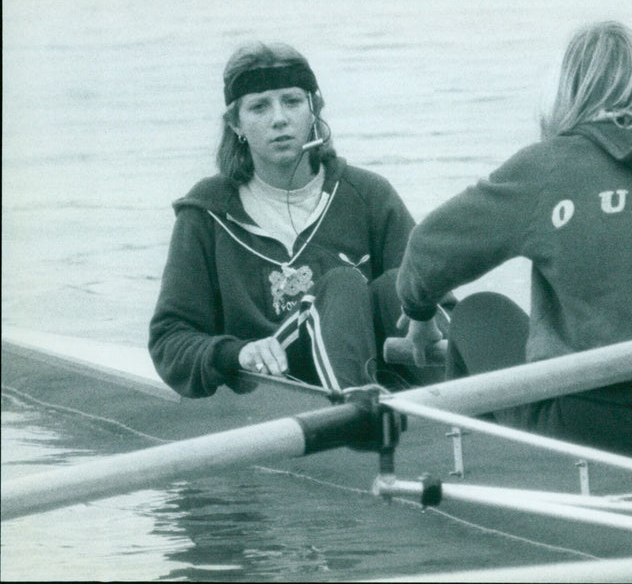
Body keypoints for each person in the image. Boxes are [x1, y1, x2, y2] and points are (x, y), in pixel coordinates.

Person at [395, 21, 632, 476]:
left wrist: (420, 319)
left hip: (595, 429)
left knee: (478, 312)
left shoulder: (549, 165)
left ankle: (471, 482)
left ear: (566, 92)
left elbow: (425, 254)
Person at [149, 41, 450, 398]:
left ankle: (477, 413)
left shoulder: (368, 195)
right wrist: (237, 352)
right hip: (276, 384)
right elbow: (169, 341)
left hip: (377, 378)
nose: (279, 118)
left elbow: (437, 309)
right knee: (344, 286)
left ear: (314, 108)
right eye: (259, 106)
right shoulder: (207, 214)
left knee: (398, 286)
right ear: (236, 123)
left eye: (292, 101)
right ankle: (357, 420)